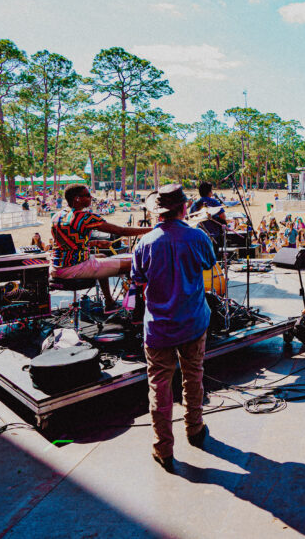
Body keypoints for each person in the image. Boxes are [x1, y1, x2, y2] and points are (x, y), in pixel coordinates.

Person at [130, 184, 217, 471]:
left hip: (158, 328)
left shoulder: (144, 243)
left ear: (157, 212)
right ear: (183, 208)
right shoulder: (198, 237)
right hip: (192, 321)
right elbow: (209, 264)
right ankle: (195, 429)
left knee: (159, 386)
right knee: (193, 376)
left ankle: (163, 448)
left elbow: (138, 281)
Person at [50, 183, 151, 312]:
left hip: (57, 267)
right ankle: (136, 307)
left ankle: (109, 302)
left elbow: (67, 244)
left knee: (102, 256)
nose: (91, 197)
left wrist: (95, 242)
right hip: (74, 268)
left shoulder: (57, 216)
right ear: (77, 198)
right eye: (87, 195)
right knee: (134, 262)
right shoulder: (85, 217)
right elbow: (121, 231)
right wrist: (153, 229)